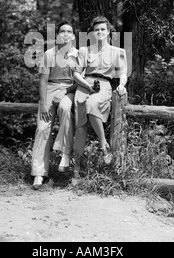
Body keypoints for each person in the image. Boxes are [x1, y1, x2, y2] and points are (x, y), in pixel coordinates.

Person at [72, 16, 128, 178]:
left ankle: (104, 145)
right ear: (92, 33)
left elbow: (123, 73)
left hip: (104, 85)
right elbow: (76, 73)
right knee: (80, 127)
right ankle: (77, 170)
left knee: (92, 104)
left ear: (109, 31)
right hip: (85, 84)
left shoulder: (118, 52)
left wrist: (122, 85)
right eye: (96, 29)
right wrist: (86, 85)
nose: (100, 32)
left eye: (103, 29)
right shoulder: (85, 51)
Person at [31, 21, 78, 190]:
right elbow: (43, 80)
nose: (66, 34)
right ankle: (38, 173)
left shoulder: (78, 55)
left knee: (65, 109)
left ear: (73, 36)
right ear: (58, 35)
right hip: (50, 88)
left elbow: (79, 80)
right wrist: (44, 103)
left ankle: (64, 153)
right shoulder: (49, 54)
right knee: (42, 127)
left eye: (69, 31)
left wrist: (65, 93)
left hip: (70, 88)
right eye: (62, 31)